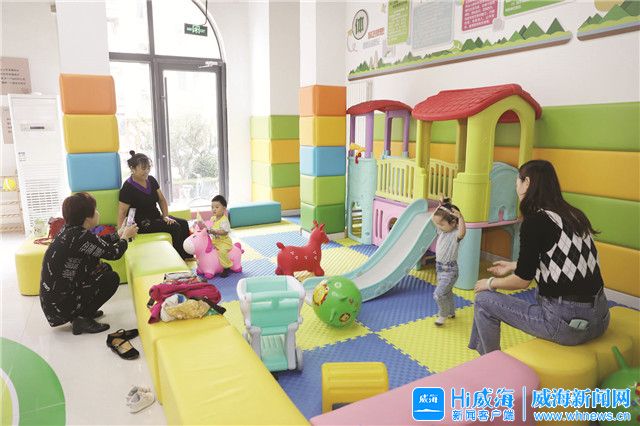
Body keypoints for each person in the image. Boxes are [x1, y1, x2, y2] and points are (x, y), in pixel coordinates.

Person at [468, 160, 609, 355]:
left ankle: (489, 361)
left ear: (527, 182)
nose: (516, 187)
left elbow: (521, 282)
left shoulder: (535, 221)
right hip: (600, 318)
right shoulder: (574, 214)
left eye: (517, 181)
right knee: (541, 290)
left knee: (484, 299)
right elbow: (564, 259)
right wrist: (515, 265)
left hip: (568, 326)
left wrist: (490, 282)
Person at [40, 192, 138, 334]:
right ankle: (81, 318)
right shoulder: (80, 236)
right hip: (60, 306)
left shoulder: (71, 231)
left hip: (55, 301)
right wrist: (125, 237)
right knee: (111, 278)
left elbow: (97, 243)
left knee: (104, 269)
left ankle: (84, 311)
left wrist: (118, 234)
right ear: (87, 218)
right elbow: (114, 253)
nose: (98, 212)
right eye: (95, 210)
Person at [118, 151, 191, 259]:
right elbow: (122, 211)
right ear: (133, 169)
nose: (147, 171)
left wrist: (166, 216)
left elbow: (162, 200)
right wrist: (121, 232)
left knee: (184, 223)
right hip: (141, 223)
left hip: (156, 217)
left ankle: (188, 257)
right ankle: (179, 259)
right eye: (143, 168)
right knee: (175, 227)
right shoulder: (127, 188)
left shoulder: (151, 180)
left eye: (148, 168)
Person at [431, 198, 466, 326]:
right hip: (440, 269)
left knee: (438, 294)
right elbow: (434, 219)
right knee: (447, 292)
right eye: (438, 224)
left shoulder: (455, 234)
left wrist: (460, 218)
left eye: (441, 224)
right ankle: (451, 312)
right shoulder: (442, 231)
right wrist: (441, 206)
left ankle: (443, 314)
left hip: (450, 271)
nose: (438, 226)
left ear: (453, 223)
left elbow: (462, 232)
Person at [205, 195, 233, 278]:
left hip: (224, 242)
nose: (214, 209)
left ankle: (227, 267)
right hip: (214, 241)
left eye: (217, 207)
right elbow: (209, 227)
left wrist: (215, 231)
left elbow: (224, 232)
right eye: (212, 207)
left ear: (224, 209)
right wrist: (206, 229)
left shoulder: (224, 220)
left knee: (222, 252)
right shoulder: (212, 218)